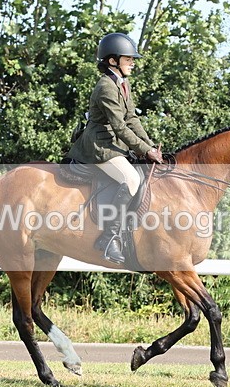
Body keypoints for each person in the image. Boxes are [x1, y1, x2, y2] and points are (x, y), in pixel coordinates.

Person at [67, 32, 163, 264]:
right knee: (131, 179)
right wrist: (145, 151)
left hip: (113, 143)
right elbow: (119, 126)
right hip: (99, 146)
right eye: (128, 59)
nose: (132, 63)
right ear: (112, 61)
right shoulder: (106, 87)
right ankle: (109, 238)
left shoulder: (122, 83)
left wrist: (150, 146)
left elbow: (131, 119)